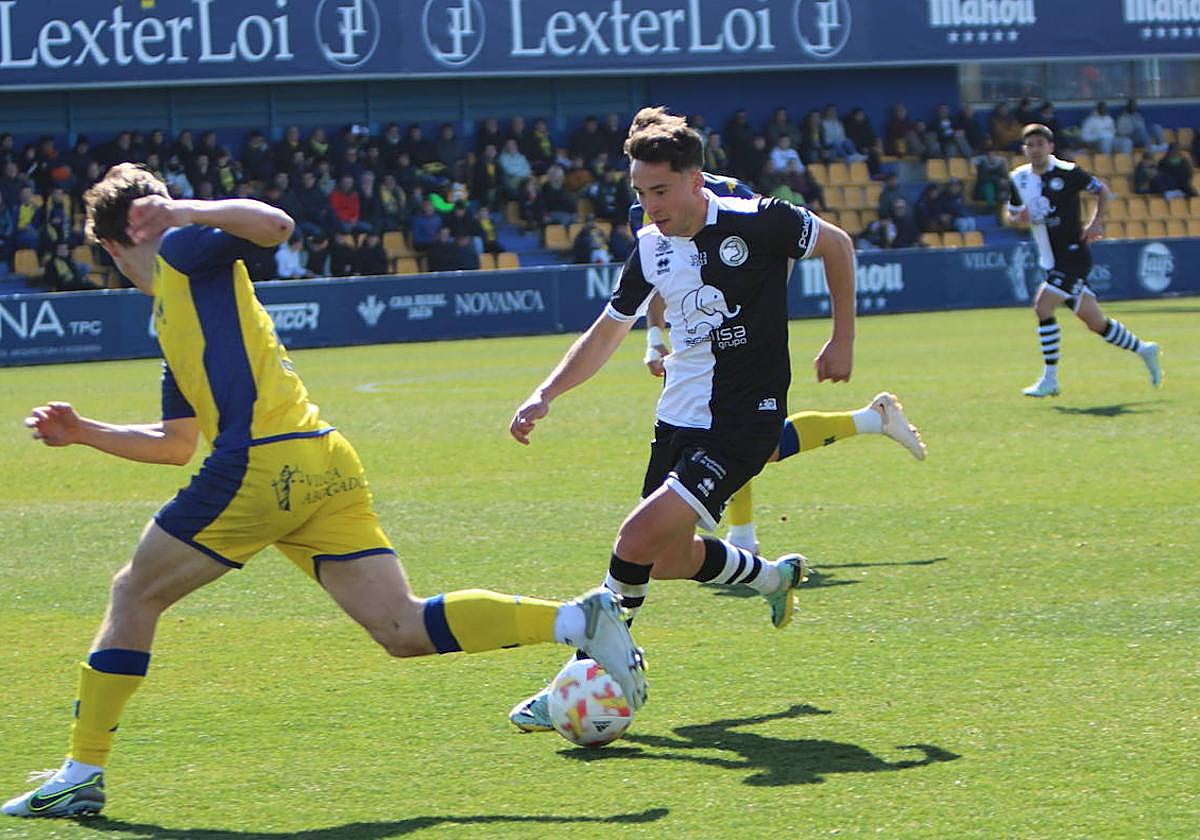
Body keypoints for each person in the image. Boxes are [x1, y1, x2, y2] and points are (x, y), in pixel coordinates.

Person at [3, 164, 647, 819]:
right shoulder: (173, 314)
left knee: (132, 591)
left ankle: (82, 773)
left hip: (259, 464)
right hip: (321, 462)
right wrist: (85, 432)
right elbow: (173, 443)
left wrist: (182, 210)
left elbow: (277, 226)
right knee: (402, 627)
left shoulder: (182, 249)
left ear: (107, 249)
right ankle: (579, 620)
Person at [505, 106, 856, 732]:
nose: (651, 206)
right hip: (678, 418)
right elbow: (606, 332)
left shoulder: (758, 222)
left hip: (745, 419)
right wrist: (546, 393)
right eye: (640, 194)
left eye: (660, 191)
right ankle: (771, 577)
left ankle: (593, 673)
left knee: (633, 540)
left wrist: (841, 340)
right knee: (664, 559)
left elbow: (838, 245)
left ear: (696, 179)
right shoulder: (649, 248)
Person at [1006, 124, 1162, 397]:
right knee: (1095, 322)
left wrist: (1095, 222)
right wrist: (1019, 219)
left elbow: (1101, 190)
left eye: (1040, 144)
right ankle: (1144, 349)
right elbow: (1012, 214)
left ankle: (1050, 379)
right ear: (1024, 149)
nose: (1035, 149)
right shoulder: (1018, 178)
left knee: (1043, 306)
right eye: (1030, 145)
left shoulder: (1068, 172)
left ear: (1050, 147)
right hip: (1050, 260)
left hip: (1073, 254)